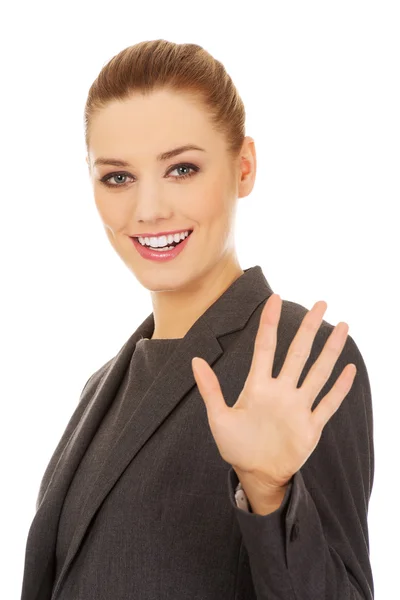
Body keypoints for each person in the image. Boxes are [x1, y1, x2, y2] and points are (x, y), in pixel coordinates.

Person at [20, 39, 374, 599]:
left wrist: (268, 491)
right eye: (117, 177)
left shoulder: (297, 360)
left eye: (181, 168)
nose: (149, 209)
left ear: (244, 166)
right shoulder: (99, 387)